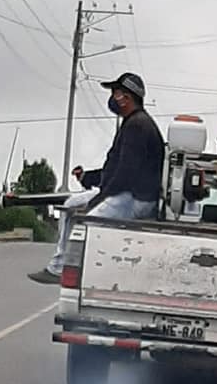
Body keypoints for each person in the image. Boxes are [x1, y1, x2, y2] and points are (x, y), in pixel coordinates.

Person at [28, 73, 165, 284]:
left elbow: (125, 174)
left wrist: (97, 201)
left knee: (83, 220)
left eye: (115, 93)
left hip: (136, 199)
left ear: (126, 98)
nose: (112, 98)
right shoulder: (132, 123)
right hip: (125, 193)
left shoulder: (138, 126)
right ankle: (58, 266)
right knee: (71, 205)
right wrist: (88, 178)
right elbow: (114, 169)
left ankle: (75, 270)